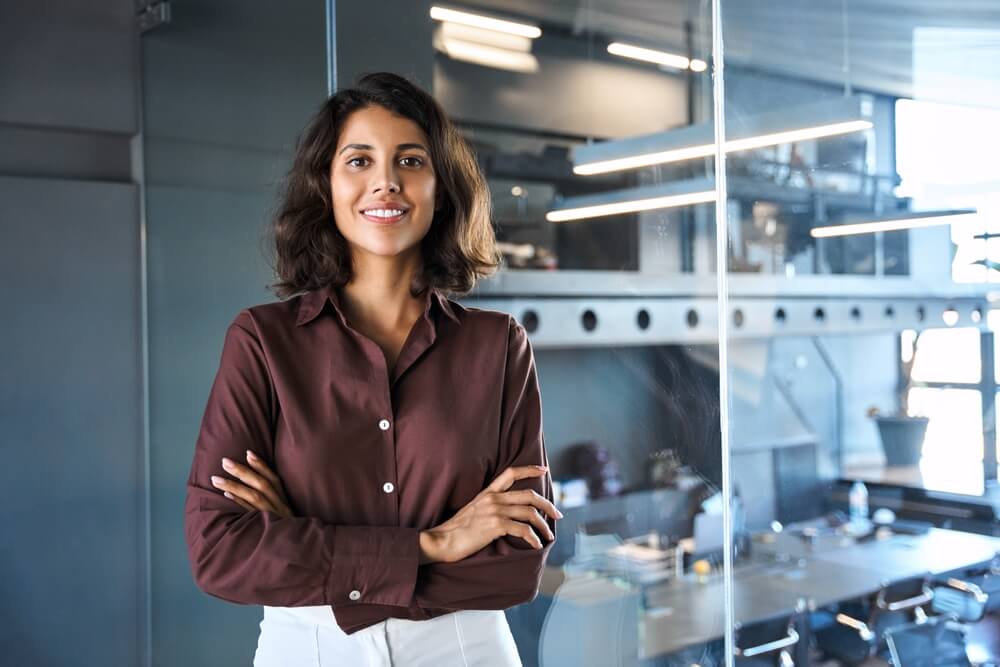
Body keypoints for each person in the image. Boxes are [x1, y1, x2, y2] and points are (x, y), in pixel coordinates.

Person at [183, 71, 561, 666]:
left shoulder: (498, 346)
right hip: (307, 650)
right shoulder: (262, 341)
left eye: (410, 161)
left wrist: (307, 541)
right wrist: (437, 542)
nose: (385, 181)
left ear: (441, 188)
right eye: (359, 161)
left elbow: (515, 568)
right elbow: (220, 551)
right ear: (326, 186)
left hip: (464, 649)